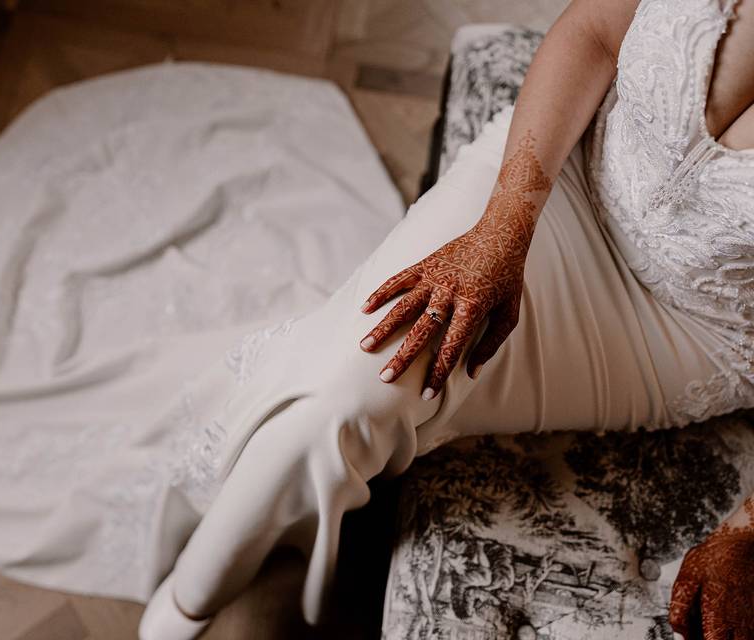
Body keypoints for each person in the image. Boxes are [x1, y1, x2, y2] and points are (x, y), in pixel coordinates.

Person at [137, 0, 754, 637]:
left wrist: (748, 529)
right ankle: (194, 595)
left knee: (359, 405)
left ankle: (227, 605)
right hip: (562, 172)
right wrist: (504, 226)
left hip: (681, 332)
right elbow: (595, 33)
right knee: (342, 398)